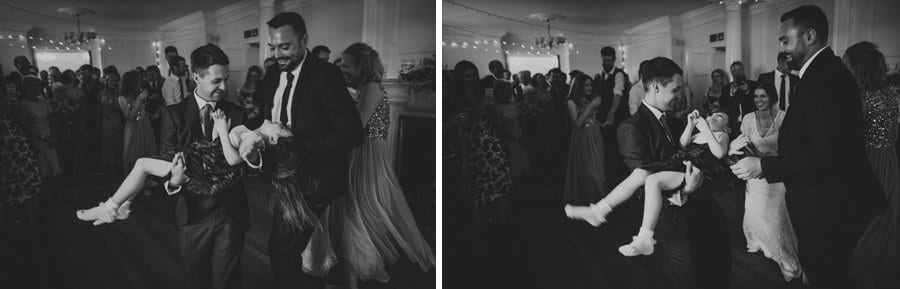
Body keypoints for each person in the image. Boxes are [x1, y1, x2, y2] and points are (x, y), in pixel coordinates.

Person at [729, 6, 886, 289]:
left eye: (785, 40)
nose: (781, 47)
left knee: (827, 275)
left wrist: (764, 166)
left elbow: (827, 156)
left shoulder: (824, 78)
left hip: (833, 206)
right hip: (829, 200)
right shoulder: (822, 72)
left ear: (809, 36)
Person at [244, 12, 365, 289]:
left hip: (314, 177)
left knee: (282, 248)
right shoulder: (273, 73)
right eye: (273, 47)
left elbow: (352, 133)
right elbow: (266, 116)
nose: (278, 54)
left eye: (285, 47)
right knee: (284, 244)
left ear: (304, 40)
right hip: (278, 177)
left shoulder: (326, 75)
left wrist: (300, 147)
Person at [301, 42, 434, 288]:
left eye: (347, 66)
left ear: (361, 66)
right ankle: (348, 268)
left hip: (365, 153)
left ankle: (357, 268)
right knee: (357, 207)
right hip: (366, 151)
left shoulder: (371, 88)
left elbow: (357, 125)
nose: (344, 70)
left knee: (357, 208)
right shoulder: (367, 88)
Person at [595, 57, 702, 288]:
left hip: (697, 212)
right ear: (655, 87)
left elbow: (682, 158)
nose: (679, 95)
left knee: (704, 269)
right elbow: (645, 182)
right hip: (668, 218)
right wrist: (685, 188)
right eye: (675, 89)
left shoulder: (673, 121)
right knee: (686, 279)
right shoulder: (630, 128)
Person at [76, 113, 289, 225]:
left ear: (273, 139)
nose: (279, 122)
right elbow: (218, 145)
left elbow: (233, 160)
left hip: (204, 170)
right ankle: (122, 207)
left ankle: (110, 208)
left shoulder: (255, 139)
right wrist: (218, 131)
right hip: (200, 159)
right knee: (143, 166)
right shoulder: (248, 129)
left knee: (142, 164)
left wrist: (223, 131)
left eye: (281, 127)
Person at [158, 44, 251, 289]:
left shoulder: (237, 113)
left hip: (230, 212)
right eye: (216, 81)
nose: (224, 87)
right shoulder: (173, 115)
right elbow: (164, 166)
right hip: (192, 215)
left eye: (226, 80)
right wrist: (172, 183)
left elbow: (246, 166)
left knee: (227, 281)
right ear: (196, 76)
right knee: (195, 280)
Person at [731, 83, 802, 282]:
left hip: (777, 176)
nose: (759, 100)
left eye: (763, 96)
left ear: (771, 97)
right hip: (755, 178)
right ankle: (759, 241)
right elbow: (742, 145)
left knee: (775, 218)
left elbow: (790, 150)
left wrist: (768, 162)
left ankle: (783, 254)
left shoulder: (782, 118)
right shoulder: (747, 119)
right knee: (755, 214)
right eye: (756, 97)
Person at [844, 41, 900, 289]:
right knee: (886, 217)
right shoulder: (890, 93)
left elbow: (849, 138)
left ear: (857, 67)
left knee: (868, 219)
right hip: (889, 158)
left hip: (869, 161)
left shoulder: (862, 97)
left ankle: (863, 271)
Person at [563, 74, 606, 205]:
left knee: (599, 167)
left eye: (590, 85)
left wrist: (600, 124)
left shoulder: (587, 99)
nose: (590, 87)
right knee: (588, 170)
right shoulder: (571, 102)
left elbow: (592, 119)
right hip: (582, 137)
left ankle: (598, 200)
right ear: (579, 86)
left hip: (595, 134)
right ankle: (589, 200)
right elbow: (577, 123)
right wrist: (591, 106)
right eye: (587, 85)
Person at [14, 76, 62, 181]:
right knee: (41, 171)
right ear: (27, 88)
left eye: (39, 86)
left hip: (48, 137)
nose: (38, 89)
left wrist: (52, 136)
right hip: (35, 140)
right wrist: (44, 137)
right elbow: (25, 127)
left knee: (53, 170)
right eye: (35, 86)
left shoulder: (42, 101)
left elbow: (50, 120)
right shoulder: (21, 105)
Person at [119, 71, 158, 174]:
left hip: (145, 124)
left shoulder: (139, 93)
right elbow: (130, 116)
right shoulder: (122, 98)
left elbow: (143, 110)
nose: (140, 82)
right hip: (134, 127)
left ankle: (147, 181)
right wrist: (139, 99)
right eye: (137, 80)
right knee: (134, 154)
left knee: (147, 152)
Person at [99, 66, 125, 176]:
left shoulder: (120, 94)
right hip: (106, 122)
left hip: (118, 121)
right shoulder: (102, 94)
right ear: (106, 82)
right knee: (108, 145)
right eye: (111, 81)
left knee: (119, 144)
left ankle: (119, 166)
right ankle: (110, 167)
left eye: (115, 81)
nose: (113, 83)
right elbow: (100, 110)